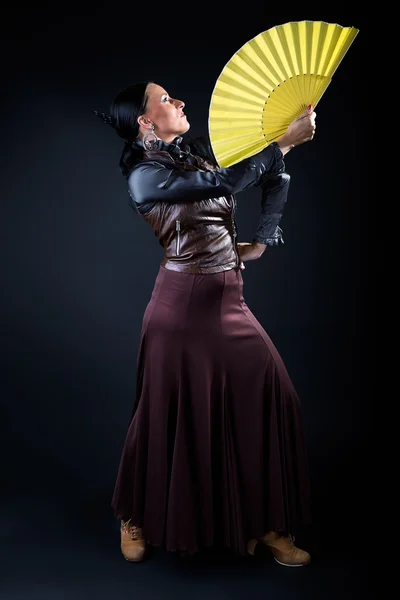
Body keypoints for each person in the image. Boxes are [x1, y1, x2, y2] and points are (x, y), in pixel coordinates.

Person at [93, 81, 316, 567]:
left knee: (269, 398)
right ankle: (136, 514)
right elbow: (227, 184)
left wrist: (262, 235)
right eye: (167, 100)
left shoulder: (192, 159)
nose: (180, 102)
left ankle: (266, 523)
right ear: (145, 122)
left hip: (228, 298)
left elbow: (267, 172)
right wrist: (279, 145)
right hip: (180, 308)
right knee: (163, 415)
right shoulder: (144, 177)